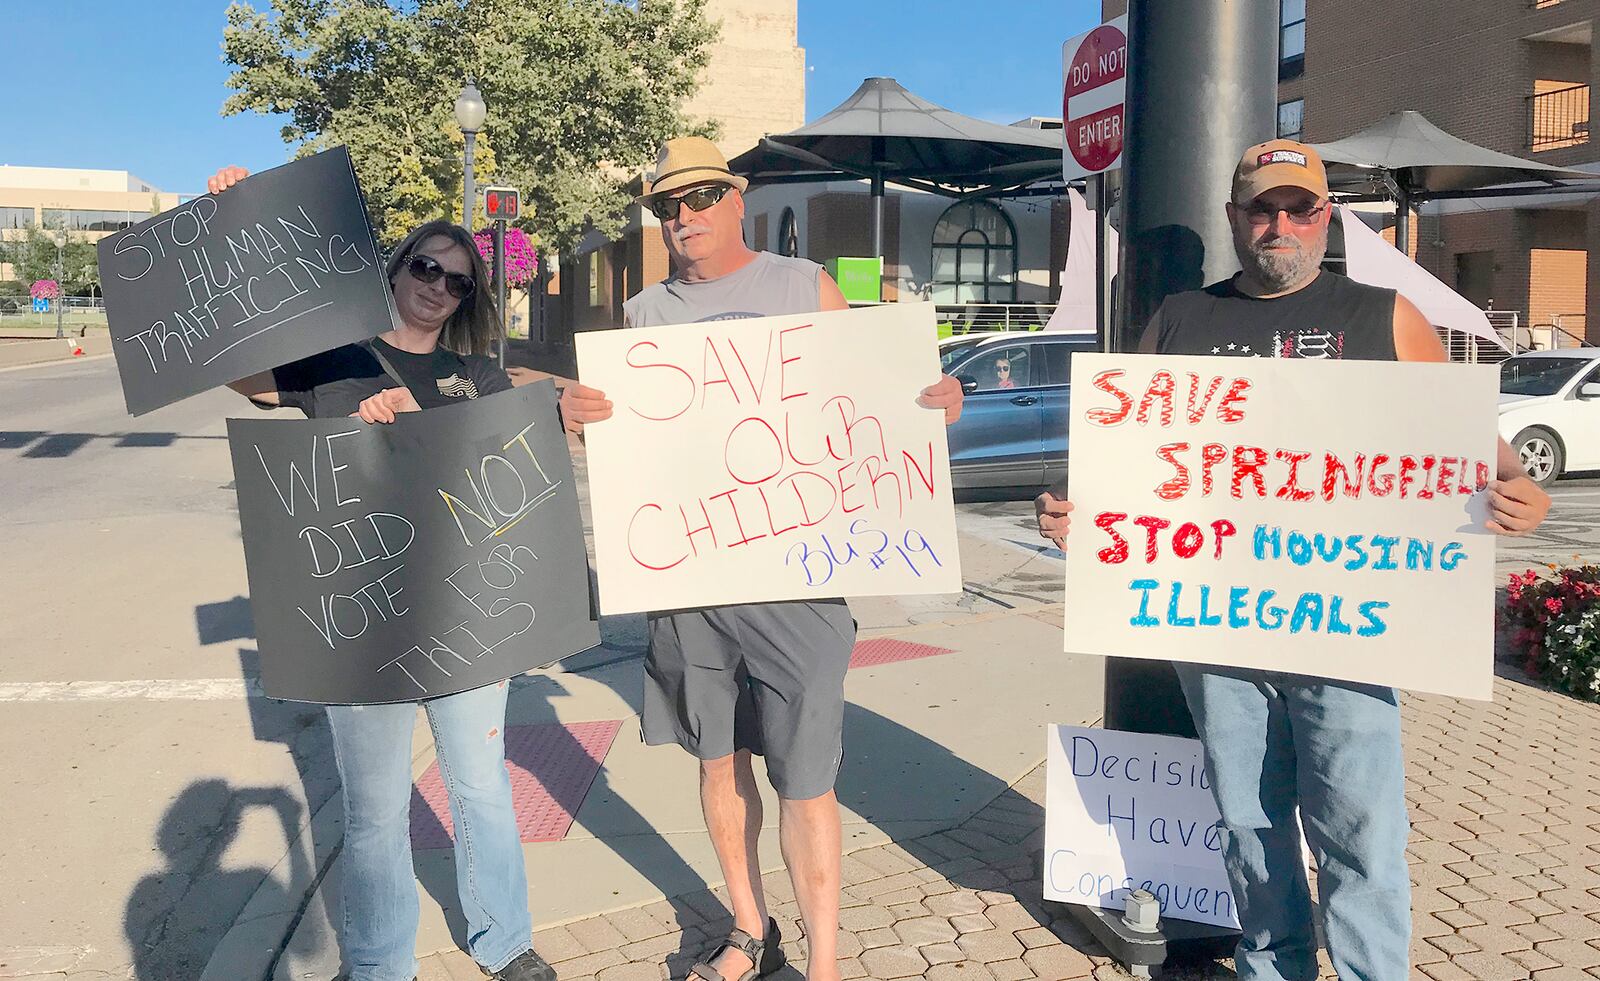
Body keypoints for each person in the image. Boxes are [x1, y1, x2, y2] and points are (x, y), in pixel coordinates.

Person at [1033, 139, 1551, 981]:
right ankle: (1271, 967)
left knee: (1360, 831)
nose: (1280, 224)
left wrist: (1517, 486)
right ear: (1236, 219)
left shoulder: (1383, 315)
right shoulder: (1180, 319)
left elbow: (1476, 452)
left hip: (1349, 632)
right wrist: (1071, 515)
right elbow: (1126, 468)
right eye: (1261, 209)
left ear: (1327, 217)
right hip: (1215, 629)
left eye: (1298, 208)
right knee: (1247, 823)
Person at [559, 137, 963, 981]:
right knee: (718, 761)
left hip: (797, 579)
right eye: (667, 204)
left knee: (805, 776)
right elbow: (634, 449)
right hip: (691, 581)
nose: (684, 215)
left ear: (736, 197)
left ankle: (825, 961)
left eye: (702, 195)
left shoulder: (801, 284)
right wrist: (579, 412)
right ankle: (750, 927)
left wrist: (930, 400)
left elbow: (872, 394)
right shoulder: (641, 315)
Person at [207, 166, 557, 981]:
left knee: (482, 790)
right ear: (397, 268)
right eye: (427, 267)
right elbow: (236, 366)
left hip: (466, 614)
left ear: (470, 296)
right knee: (375, 815)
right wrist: (236, 221)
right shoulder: (333, 361)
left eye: (458, 279)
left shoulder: (483, 378)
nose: (439, 285)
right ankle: (378, 964)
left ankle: (504, 941)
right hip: (359, 617)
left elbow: (509, 471)